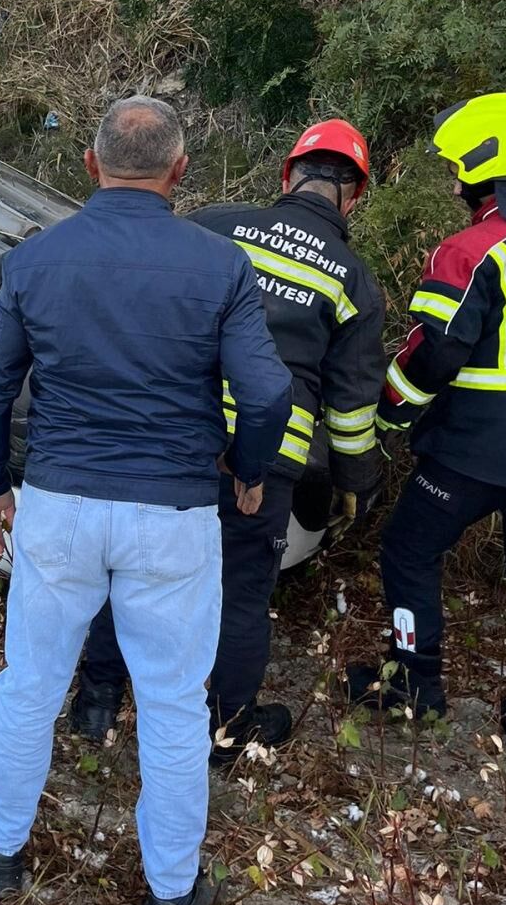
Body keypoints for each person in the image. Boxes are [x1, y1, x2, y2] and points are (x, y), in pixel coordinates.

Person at [0, 97, 291, 905]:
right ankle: (171, 895)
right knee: (176, 704)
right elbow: (266, 390)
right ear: (180, 172)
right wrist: (250, 475)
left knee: (31, 680)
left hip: (63, 508)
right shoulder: (221, 267)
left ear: (88, 162)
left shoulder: (35, 261)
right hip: (174, 513)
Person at [74, 121, 386, 763]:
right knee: (241, 594)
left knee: (130, 568)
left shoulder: (214, 225)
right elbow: (353, 408)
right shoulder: (354, 281)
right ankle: (225, 727)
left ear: (286, 175)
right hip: (265, 462)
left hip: (172, 438)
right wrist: (356, 487)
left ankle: (97, 701)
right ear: (354, 197)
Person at [349, 93, 506, 771]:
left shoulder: (474, 249)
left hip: (471, 451)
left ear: (487, 166)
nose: (455, 181)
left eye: (460, 168)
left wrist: (388, 413)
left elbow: (433, 354)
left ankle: (415, 683)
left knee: (409, 549)